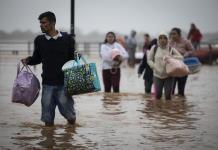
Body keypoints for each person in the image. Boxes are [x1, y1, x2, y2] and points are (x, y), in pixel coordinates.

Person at [21, 11, 76, 126]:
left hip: (64, 83)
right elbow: (37, 58)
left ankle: (70, 136)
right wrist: (29, 60)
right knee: (47, 118)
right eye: (40, 23)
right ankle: (49, 140)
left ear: (52, 23)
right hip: (47, 84)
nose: (41, 25)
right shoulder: (39, 40)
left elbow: (73, 59)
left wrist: (78, 59)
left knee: (69, 115)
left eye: (44, 22)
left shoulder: (67, 39)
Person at [147, 31, 183, 100]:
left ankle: (167, 110)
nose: (162, 40)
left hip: (169, 75)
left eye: (164, 38)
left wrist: (171, 57)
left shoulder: (171, 49)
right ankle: (158, 110)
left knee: (168, 97)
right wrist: (154, 66)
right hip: (157, 75)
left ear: (167, 39)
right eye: (160, 38)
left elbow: (181, 58)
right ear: (158, 39)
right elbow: (149, 59)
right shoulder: (154, 48)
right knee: (158, 96)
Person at [169, 27, 194, 97]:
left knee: (181, 91)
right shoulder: (170, 42)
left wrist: (187, 54)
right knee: (171, 91)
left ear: (179, 34)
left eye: (174, 34)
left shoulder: (186, 42)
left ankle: (182, 105)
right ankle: (170, 106)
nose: (172, 36)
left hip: (183, 68)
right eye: (171, 34)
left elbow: (192, 50)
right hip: (172, 69)